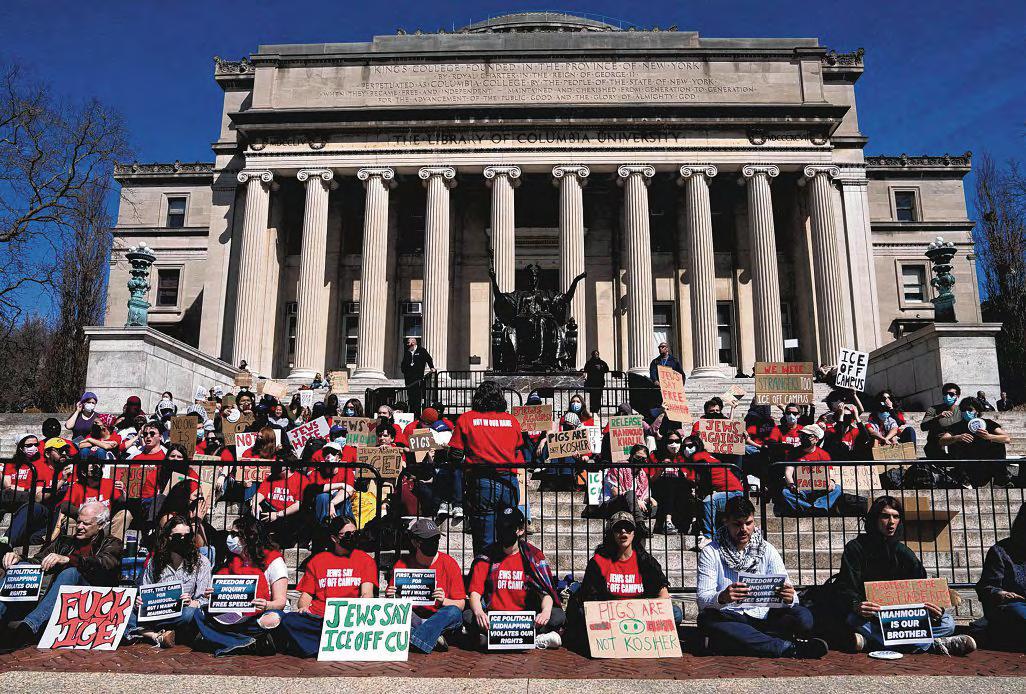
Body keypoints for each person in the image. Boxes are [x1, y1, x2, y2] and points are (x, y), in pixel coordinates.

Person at [834, 495, 974, 655]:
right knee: (851, 619)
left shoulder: (904, 553)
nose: (891, 522)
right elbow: (845, 587)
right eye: (885, 516)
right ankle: (931, 645)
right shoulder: (855, 548)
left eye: (896, 517)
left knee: (947, 623)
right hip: (872, 616)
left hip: (903, 619)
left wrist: (936, 610)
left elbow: (922, 588)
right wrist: (857, 605)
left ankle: (872, 643)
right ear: (874, 519)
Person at [696, 496, 827, 658]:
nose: (744, 529)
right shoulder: (711, 552)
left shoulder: (767, 549)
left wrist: (789, 597)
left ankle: (742, 642)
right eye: (737, 524)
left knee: (804, 617)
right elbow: (702, 599)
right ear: (726, 522)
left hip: (765, 615)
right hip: (732, 616)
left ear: (754, 521)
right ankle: (787, 647)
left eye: (748, 523)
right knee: (706, 620)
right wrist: (722, 597)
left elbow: (790, 593)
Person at [0, 501, 123, 652]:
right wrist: (19, 559)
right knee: (19, 568)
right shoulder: (64, 541)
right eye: (79, 522)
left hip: (92, 599)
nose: (79, 527)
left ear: (101, 525)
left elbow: (104, 564)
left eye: (86, 523)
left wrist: (69, 559)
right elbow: (38, 561)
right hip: (57, 598)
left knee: (71, 572)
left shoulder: (112, 543)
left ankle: (27, 628)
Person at [275, 515, 377, 658]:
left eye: (355, 533)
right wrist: (303, 607)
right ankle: (332, 645)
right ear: (334, 538)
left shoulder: (365, 560)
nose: (352, 537)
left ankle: (323, 645)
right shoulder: (317, 561)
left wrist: (360, 608)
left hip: (348, 618)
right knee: (289, 620)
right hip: (320, 618)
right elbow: (306, 596)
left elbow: (367, 593)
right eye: (347, 534)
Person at [465, 507, 564, 650]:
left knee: (557, 615)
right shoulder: (486, 557)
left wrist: (545, 612)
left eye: (509, 528)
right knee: (468, 615)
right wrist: (479, 612)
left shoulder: (533, 557)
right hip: (494, 619)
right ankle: (534, 640)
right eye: (500, 527)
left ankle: (493, 641)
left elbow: (545, 593)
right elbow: (475, 592)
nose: (504, 532)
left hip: (525, 620)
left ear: (520, 530)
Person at [192, 516, 289, 656]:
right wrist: (214, 595)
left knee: (272, 619)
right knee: (199, 614)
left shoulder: (274, 560)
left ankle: (223, 639)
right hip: (232, 615)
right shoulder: (232, 560)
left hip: (258, 614)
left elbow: (280, 602)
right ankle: (246, 642)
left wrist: (266, 605)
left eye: (234, 534)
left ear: (249, 536)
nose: (230, 538)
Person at [449, 381, 524, 554]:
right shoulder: (512, 421)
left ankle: (483, 570)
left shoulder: (467, 418)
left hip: (482, 482)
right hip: (509, 482)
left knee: (485, 539)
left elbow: (455, 455)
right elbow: (518, 450)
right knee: (508, 537)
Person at [577, 512, 683, 623]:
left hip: (640, 615)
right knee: (582, 613)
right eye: (618, 528)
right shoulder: (599, 561)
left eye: (628, 528)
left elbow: (664, 596)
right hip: (610, 615)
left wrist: (636, 610)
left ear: (634, 533)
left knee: (676, 613)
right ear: (611, 534)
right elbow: (591, 600)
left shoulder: (646, 561)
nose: (623, 531)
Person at [127, 514, 212, 647]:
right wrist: (140, 603)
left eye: (187, 536)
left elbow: (203, 600)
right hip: (156, 613)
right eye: (178, 536)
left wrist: (191, 602)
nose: (183, 540)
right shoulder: (154, 561)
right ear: (167, 537)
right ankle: (157, 636)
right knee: (127, 613)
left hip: (181, 614)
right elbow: (145, 591)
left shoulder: (202, 562)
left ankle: (147, 633)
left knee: (190, 614)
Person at [385, 518, 466, 653]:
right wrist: (391, 596)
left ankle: (416, 638)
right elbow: (395, 604)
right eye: (428, 540)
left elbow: (461, 604)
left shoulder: (449, 563)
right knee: (395, 612)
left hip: (438, 616)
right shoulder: (402, 564)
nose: (433, 543)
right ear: (415, 542)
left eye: (436, 539)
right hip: (414, 616)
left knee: (454, 612)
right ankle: (430, 638)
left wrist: (443, 600)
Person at [975, 504, 1026, 651]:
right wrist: (1001, 593)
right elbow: (986, 587)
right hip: (1013, 606)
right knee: (1019, 613)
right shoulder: (1000, 552)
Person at [938, 397, 1013, 487]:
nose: (966, 412)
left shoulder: (988, 423)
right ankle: (964, 479)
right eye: (963, 410)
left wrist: (989, 437)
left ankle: (1001, 479)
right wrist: (957, 437)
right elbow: (942, 441)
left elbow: (1007, 439)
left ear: (977, 411)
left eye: (970, 409)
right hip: (968, 464)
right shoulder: (957, 426)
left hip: (987, 462)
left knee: (998, 442)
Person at [776, 425, 842, 516]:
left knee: (837, 488)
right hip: (800, 489)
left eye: (808, 436)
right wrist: (791, 484)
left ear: (816, 439)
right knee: (785, 492)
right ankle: (811, 509)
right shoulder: (793, 453)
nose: (804, 438)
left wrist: (832, 482)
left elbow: (830, 472)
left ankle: (818, 506)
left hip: (820, 489)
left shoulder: (823, 454)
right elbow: (788, 471)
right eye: (802, 435)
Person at [598, 444, 654, 532]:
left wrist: (649, 499)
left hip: (630, 505)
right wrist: (636, 501)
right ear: (631, 456)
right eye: (638, 457)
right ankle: (639, 523)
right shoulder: (618, 467)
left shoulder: (642, 474)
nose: (641, 460)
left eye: (644, 459)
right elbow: (615, 493)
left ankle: (634, 514)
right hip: (611, 504)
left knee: (653, 506)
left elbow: (644, 496)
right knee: (630, 494)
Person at [254, 463, 311, 548]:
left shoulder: (301, 479)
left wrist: (278, 514)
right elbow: (261, 493)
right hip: (270, 511)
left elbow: (299, 504)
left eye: (280, 463)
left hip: (288, 515)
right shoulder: (272, 477)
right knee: (253, 512)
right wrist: (255, 503)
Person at [921, 382, 962, 459]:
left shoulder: (962, 411)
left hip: (955, 445)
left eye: (951, 394)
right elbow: (923, 427)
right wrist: (938, 417)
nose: (948, 396)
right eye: (945, 394)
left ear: (957, 396)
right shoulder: (933, 410)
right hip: (936, 445)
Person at [401, 337, 435, 416]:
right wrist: (404, 371)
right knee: (410, 397)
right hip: (409, 379)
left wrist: (431, 367)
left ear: (413, 342)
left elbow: (428, 358)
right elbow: (403, 363)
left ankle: (417, 414)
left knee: (417, 397)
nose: (407, 344)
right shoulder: (407, 352)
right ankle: (412, 413)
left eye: (408, 342)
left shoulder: (421, 350)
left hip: (418, 378)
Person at [581, 349, 609, 414]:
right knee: (592, 397)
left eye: (597, 354)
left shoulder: (602, 362)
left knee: (598, 397)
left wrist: (601, 368)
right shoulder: (589, 363)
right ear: (592, 355)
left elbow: (607, 369)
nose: (596, 355)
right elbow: (586, 369)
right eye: (595, 354)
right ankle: (592, 409)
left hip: (599, 383)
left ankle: (597, 409)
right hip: (591, 383)